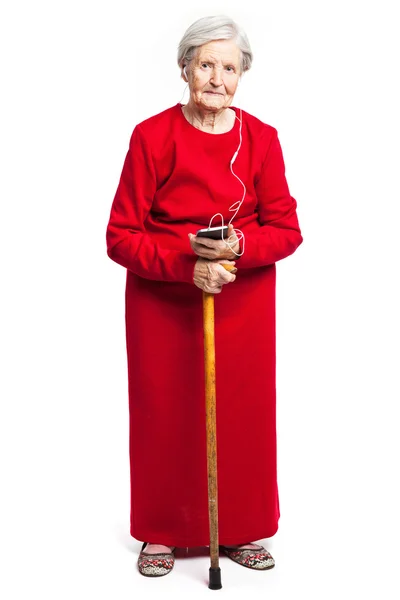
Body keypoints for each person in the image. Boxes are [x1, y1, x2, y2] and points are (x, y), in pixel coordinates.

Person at [105, 14, 303, 578]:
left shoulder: (261, 140)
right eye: (206, 64)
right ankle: (162, 531)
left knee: (242, 416)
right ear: (185, 67)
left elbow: (287, 230)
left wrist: (236, 246)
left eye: (230, 68)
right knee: (164, 412)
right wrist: (185, 265)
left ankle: (242, 530)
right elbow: (121, 235)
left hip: (242, 303)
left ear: (243, 76)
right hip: (162, 303)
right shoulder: (151, 136)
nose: (217, 78)